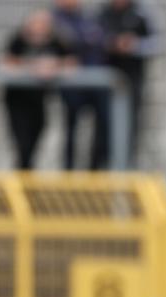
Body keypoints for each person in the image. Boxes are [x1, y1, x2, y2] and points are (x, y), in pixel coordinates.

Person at [3, 10, 74, 170]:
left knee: (37, 136)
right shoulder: (19, 40)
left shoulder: (55, 42)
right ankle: (22, 177)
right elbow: (8, 61)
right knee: (23, 143)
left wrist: (54, 65)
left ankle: (27, 176)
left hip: (40, 100)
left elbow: (71, 61)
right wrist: (33, 66)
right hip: (18, 101)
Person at [98, 0, 159, 167]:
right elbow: (92, 40)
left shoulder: (142, 13)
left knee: (130, 129)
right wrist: (111, 44)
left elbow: (157, 43)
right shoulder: (102, 13)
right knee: (102, 129)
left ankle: (126, 167)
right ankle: (102, 169)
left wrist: (134, 45)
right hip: (104, 86)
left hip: (133, 82)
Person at [54, 0, 109, 170]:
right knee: (70, 131)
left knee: (101, 130)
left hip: (95, 86)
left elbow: (99, 42)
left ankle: (95, 170)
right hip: (71, 89)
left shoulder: (89, 18)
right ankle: (68, 171)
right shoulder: (54, 20)